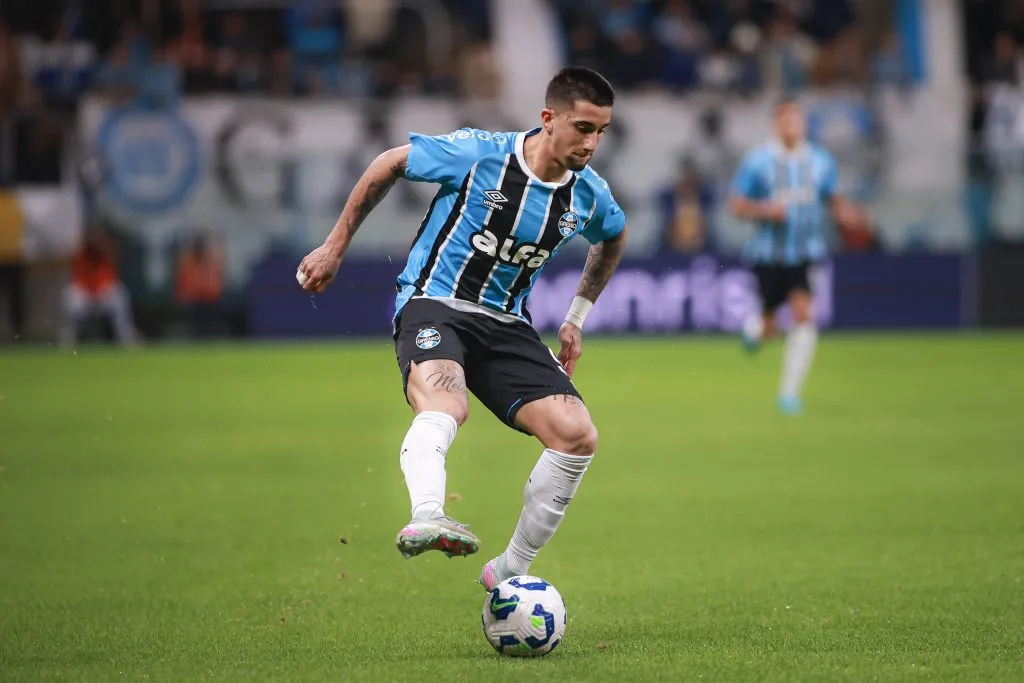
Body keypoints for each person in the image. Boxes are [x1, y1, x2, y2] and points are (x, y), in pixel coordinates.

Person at [297, 67, 627, 591]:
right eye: (584, 128)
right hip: (436, 302)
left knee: (577, 436)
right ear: (548, 119)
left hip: (506, 324)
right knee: (448, 405)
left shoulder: (588, 195)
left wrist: (576, 318)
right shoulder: (480, 154)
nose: (593, 142)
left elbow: (612, 237)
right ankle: (427, 514)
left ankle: (509, 573)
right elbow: (389, 164)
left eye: (602, 131)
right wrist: (334, 246)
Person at [729, 97, 859, 415]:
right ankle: (756, 330)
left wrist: (846, 214)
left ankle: (789, 394)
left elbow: (833, 196)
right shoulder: (758, 161)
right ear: (777, 125)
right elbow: (737, 205)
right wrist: (766, 210)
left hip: (804, 253)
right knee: (770, 327)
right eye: (786, 121)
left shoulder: (820, 161)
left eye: (796, 121)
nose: (792, 126)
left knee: (803, 315)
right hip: (768, 255)